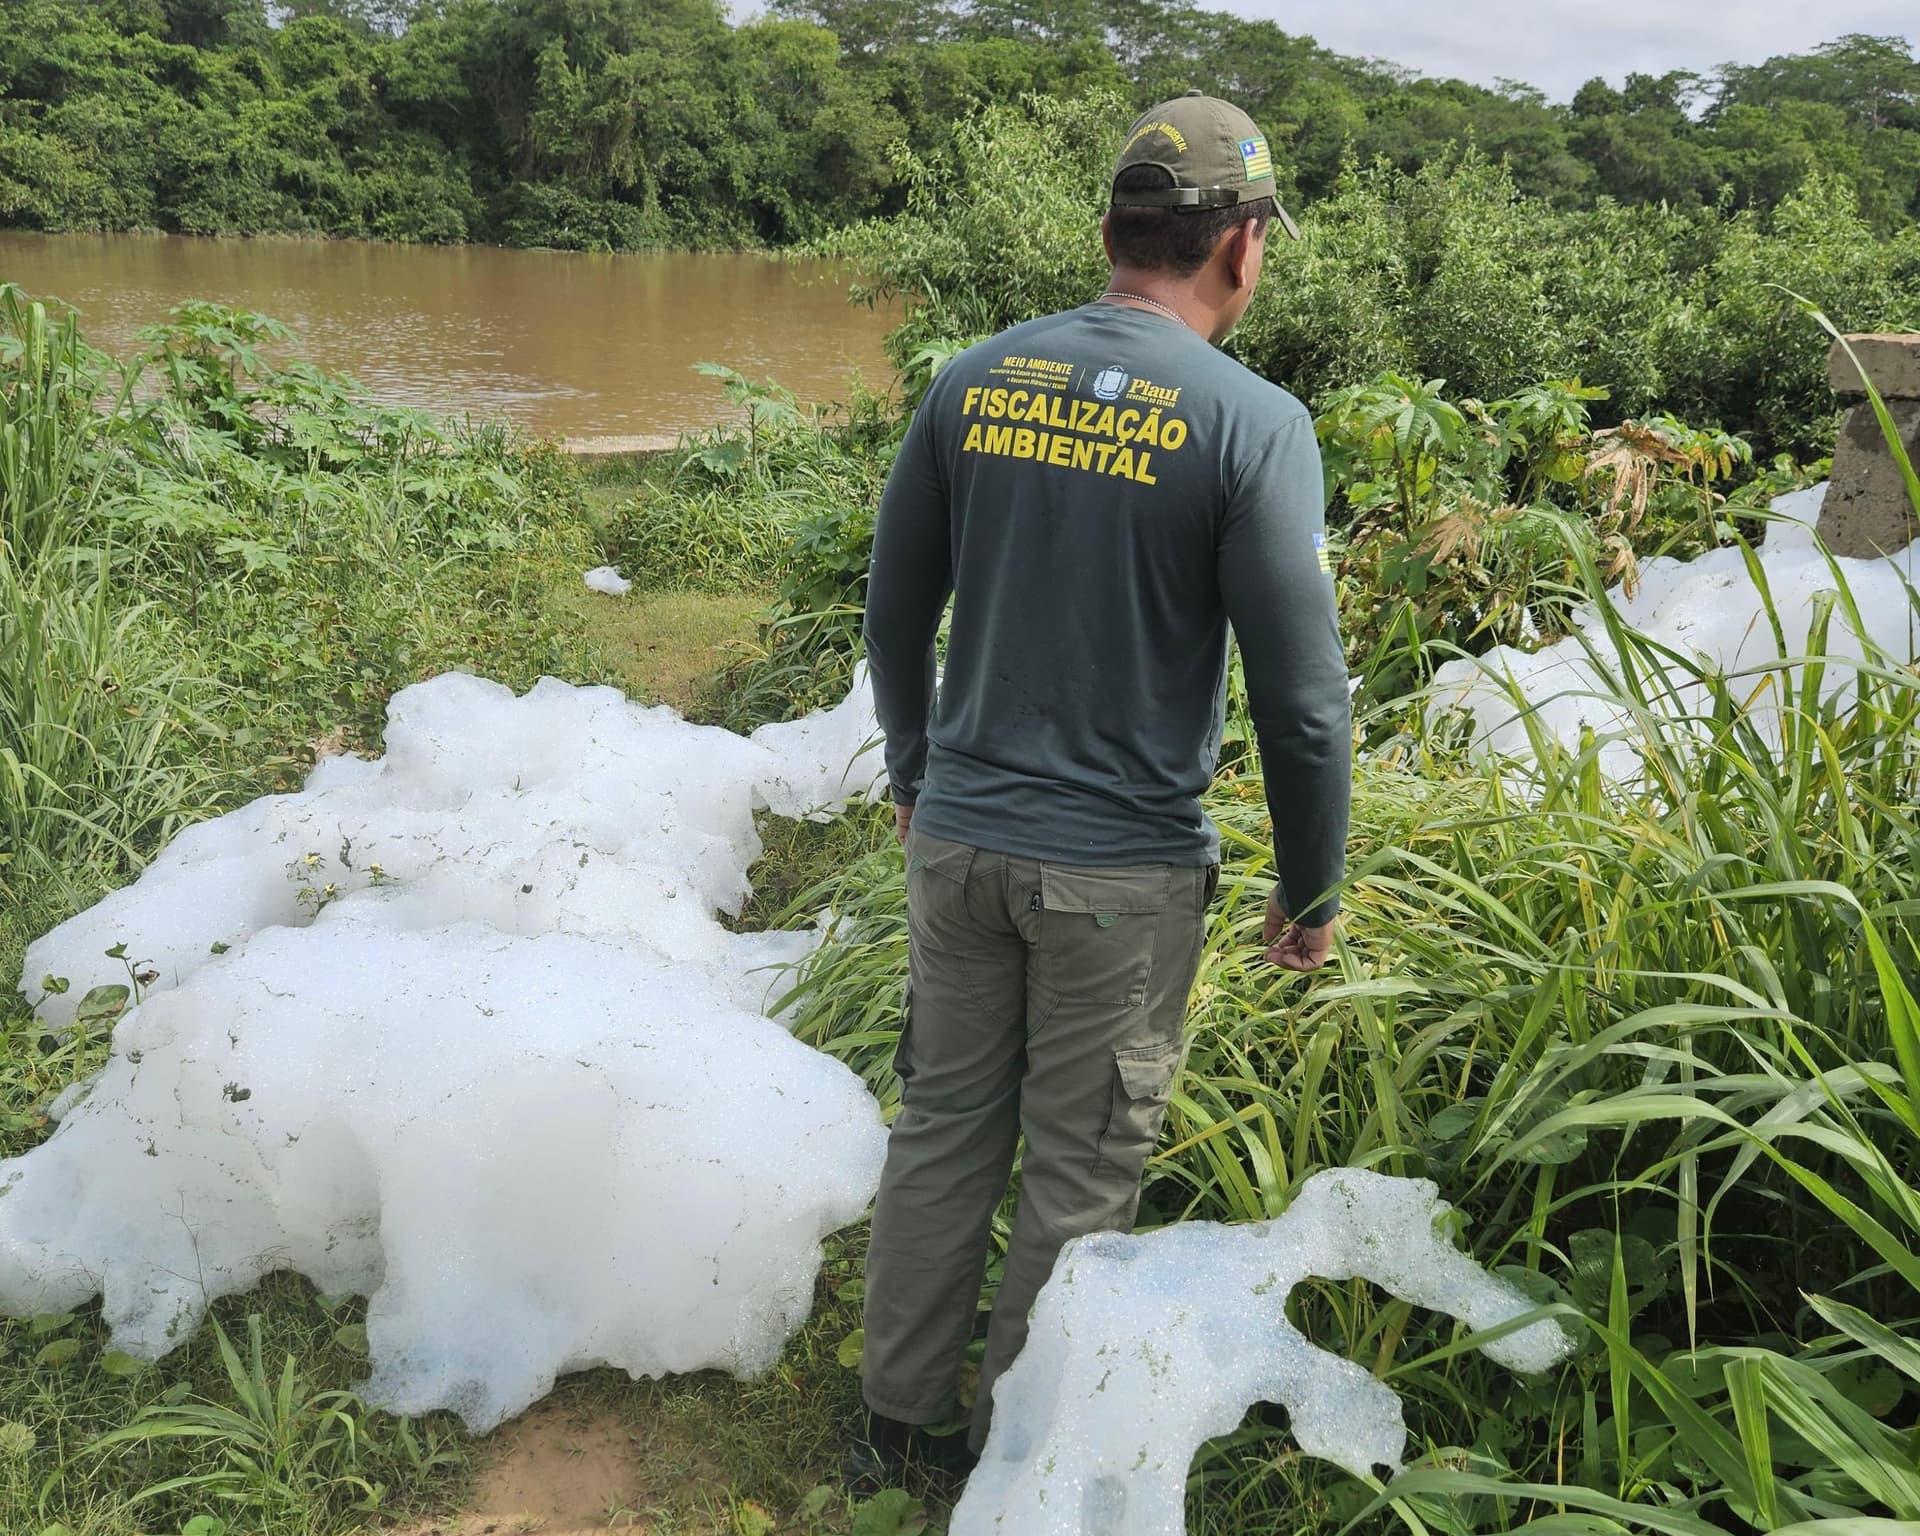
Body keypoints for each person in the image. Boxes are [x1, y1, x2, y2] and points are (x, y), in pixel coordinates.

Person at [850, 90, 1353, 1485]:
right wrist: (1311, 892)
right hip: (1118, 879)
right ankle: (1025, 1466)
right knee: (1079, 1176)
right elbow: (1304, 709)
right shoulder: (1253, 425)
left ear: (1117, 232)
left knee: (944, 1124)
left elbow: (894, 617)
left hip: (957, 839)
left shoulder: (975, 380)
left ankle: (899, 1426)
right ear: (1242, 246)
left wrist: (913, 770)